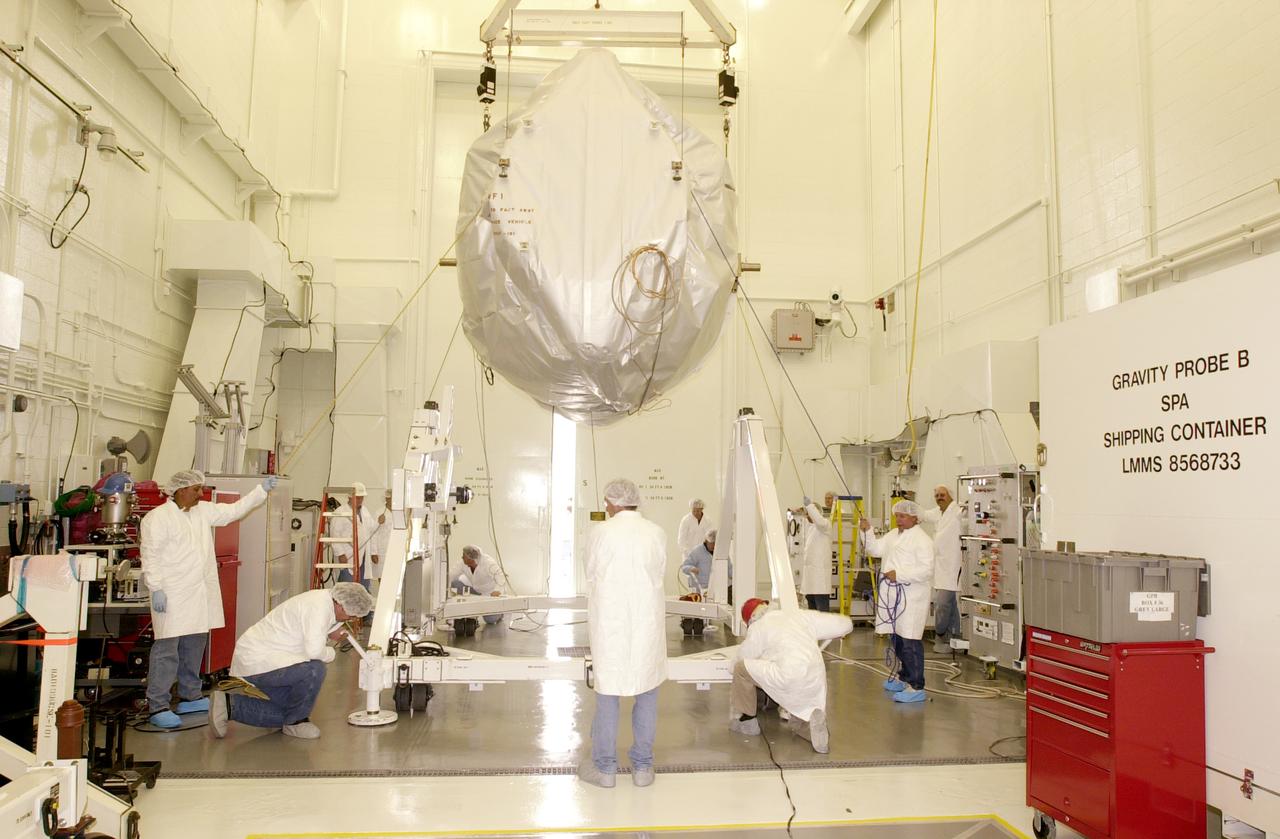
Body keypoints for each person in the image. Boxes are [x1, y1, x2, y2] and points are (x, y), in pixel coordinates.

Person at [140, 469, 276, 729]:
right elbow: (151, 555)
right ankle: (157, 704)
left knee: (194, 645)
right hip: (171, 593)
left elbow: (232, 512)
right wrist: (155, 587)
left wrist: (261, 491)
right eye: (196, 489)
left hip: (197, 593)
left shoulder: (202, 512)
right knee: (167, 650)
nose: (200, 494)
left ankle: (190, 696)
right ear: (180, 490)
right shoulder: (157, 518)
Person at [579, 478, 667, 789]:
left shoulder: (601, 533)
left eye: (606, 502)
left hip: (611, 625)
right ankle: (642, 769)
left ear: (614, 503)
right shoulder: (656, 533)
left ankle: (605, 770)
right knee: (647, 695)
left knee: (608, 696)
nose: (605, 507)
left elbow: (590, 573)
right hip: (647, 625)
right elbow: (659, 572)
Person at [208, 583, 375, 740]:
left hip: (268, 659)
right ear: (340, 604)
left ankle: (230, 705)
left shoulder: (323, 601)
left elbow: (315, 626)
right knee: (315, 669)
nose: (351, 619)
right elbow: (315, 651)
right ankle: (296, 723)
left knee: (289, 710)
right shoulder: (318, 608)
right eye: (350, 615)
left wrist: (331, 630)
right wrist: (331, 653)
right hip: (259, 659)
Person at [729, 598, 852, 754]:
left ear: (750, 620)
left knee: (741, 669)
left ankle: (747, 722)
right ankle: (814, 730)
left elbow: (741, 658)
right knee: (797, 721)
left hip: (787, 677)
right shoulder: (800, 616)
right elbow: (846, 624)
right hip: (815, 677)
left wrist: (731, 666)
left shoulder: (759, 626)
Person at [860, 500, 935, 704]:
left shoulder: (923, 540)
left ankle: (917, 685)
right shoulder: (893, 535)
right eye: (897, 516)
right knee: (897, 639)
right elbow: (875, 550)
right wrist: (867, 532)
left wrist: (899, 574)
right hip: (894, 597)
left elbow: (927, 570)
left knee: (910, 641)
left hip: (912, 598)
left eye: (903, 516)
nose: (898, 519)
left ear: (914, 518)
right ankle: (904, 677)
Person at [919, 485, 962, 653]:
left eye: (942, 495)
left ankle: (941, 634)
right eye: (936, 495)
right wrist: (904, 502)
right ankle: (953, 639)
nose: (939, 498)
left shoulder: (958, 511)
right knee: (950, 604)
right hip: (940, 568)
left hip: (953, 566)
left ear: (950, 496)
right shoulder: (938, 512)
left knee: (943, 604)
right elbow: (922, 514)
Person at [330, 482, 378, 591]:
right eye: (358, 498)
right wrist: (340, 554)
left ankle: (362, 607)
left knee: (362, 588)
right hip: (348, 555)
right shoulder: (340, 512)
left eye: (362, 498)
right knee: (347, 588)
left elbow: (371, 529)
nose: (360, 500)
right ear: (350, 497)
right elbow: (334, 535)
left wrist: (374, 552)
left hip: (364, 554)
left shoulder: (365, 511)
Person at [793, 498, 834, 612]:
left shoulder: (825, 525)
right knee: (812, 611)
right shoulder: (809, 528)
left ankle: (825, 630)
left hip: (820, 580)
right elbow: (804, 520)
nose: (807, 516)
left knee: (822, 611)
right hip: (809, 579)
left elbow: (818, 521)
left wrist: (810, 506)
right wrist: (801, 510)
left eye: (809, 514)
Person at [450, 545, 506, 625]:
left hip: (489, 595)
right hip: (475, 591)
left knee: (490, 620)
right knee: (455, 583)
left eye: (463, 556)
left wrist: (497, 591)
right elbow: (451, 575)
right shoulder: (462, 563)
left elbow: (500, 576)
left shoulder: (488, 563)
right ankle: (471, 609)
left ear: (470, 558)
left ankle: (500, 613)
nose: (462, 557)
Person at [367, 489, 394, 593]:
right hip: (382, 551)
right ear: (387, 499)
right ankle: (383, 596)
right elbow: (373, 533)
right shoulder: (379, 512)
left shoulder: (400, 512)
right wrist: (373, 552)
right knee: (382, 576)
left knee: (394, 575)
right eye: (391, 498)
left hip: (396, 550)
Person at [676, 498, 713, 562]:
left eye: (698, 511)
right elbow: (681, 540)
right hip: (689, 555)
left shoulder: (708, 521)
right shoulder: (686, 520)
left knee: (704, 571)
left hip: (704, 555)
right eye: (694, 511)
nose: (695, 513)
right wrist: (688, 553)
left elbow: (710, 538)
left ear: (702, 509)